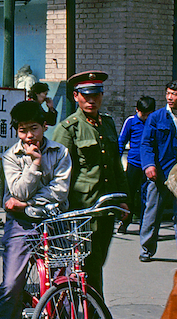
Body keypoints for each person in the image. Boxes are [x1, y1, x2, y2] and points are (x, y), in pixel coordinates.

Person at [0, 100, 71, 319]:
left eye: (34, 128)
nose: (29, 136)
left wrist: (27, 204)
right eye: (22, 130)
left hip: (54, 224)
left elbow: (60, 192)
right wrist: (35, 164)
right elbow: (16, 191)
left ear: (45, 126)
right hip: (21, 226)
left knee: (62, 283)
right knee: (11, 285)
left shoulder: (61, 151)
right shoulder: (11, 156)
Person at [51, 70, 128, 296]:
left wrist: (123, 199)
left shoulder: (108, 125)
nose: (92, 100)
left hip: (105, 208)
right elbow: (58, 172)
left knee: (97, 262)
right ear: (76, 96)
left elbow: (115, 165)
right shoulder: (68, 128)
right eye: (86, 95)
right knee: (87, 266)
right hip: (81, 209)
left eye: (97, 94)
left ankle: (92, 314)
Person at [138, 82, 177, 262]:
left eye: (174, 94)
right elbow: (145, 143)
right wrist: (149, 165)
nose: (170, 97)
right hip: (160, 172)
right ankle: (147, 249)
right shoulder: (156, 117)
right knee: (152, 211)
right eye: (168, 93)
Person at [118, 95, 155, 233]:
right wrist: (117, 160)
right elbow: (121, 141)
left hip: (149, 165)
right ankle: (125, 221)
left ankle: (144, 226)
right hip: (134, 163)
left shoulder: (154, 122)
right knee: (129, 195)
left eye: (148, 114)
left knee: (147, 196)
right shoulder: (131, 121)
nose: (145, 117)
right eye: (142, 114)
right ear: (136, 110)